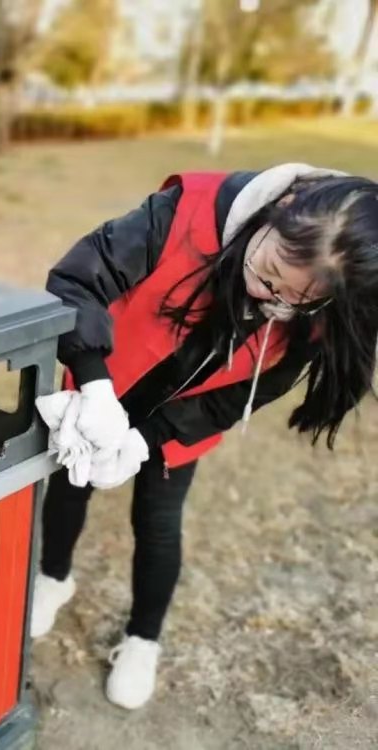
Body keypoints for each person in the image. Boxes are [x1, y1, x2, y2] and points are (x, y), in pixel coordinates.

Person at [31, 162, 378, 710]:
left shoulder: (320, 308)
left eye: (294, 300)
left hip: (180, 425)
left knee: (158, 522)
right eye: (268, 273)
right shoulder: (183, 212)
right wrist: (94, 386)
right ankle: (54, 578)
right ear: (280, 210)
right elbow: (78, 280)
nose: (268, 298)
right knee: (70, 485)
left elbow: (243, 394)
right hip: (105, 384)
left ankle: (143, 639)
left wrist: (146, 440)